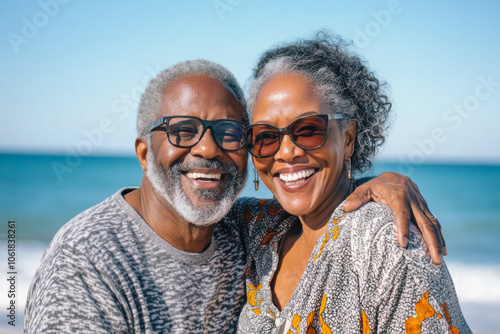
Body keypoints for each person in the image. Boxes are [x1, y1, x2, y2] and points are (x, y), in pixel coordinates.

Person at [25, 59, 444, 333]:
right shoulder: (87, 262)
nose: (208, 150)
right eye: (182, 131)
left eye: (230, 134)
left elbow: (320, 199)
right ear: (143, 152)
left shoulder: (247, 230)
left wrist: (378, 185)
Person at [237, 32, 471, 333]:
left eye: (308, 129)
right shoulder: (260, 231)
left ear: (347, 139)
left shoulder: (388, 245)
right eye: (265, 137)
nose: (286, 152)